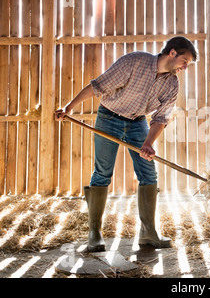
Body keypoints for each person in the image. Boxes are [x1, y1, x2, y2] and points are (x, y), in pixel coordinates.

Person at [55, 37, 198, 252]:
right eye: (184, 61)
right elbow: (98, 86)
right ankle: (94, 233)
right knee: (102, 172)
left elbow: (161, 118)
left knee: (149, 173)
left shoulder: (172, 83)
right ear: (172, 53)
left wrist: (148, 143)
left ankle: (148, 232)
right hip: (109, 117)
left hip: (137, 122)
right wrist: (68, 107)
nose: (185, 67)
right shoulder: (134, 62)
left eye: (188, 64)